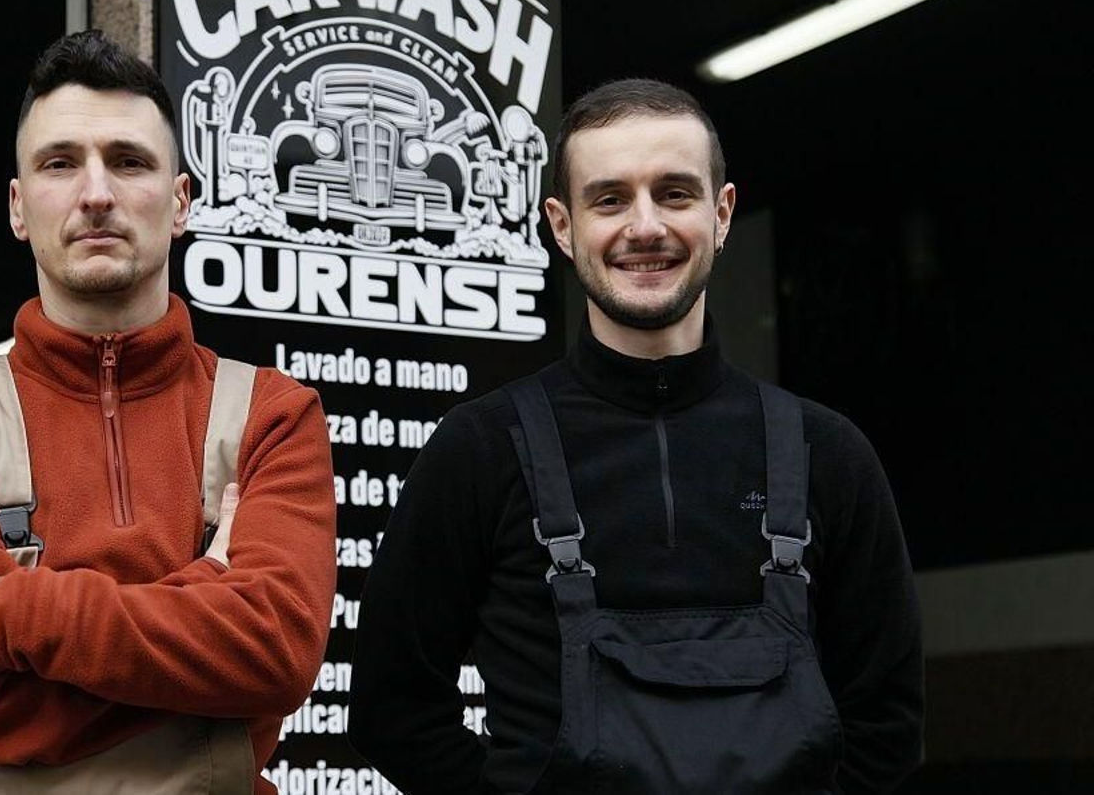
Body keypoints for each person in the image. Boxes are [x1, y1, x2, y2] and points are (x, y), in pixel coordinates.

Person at [348, 79, 922, 793]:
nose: (644, 227)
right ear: (562, 226)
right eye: (610, 198)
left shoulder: (828, 453)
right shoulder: (480, 448)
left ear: (722, 213)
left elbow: (888, 725)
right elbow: (391, 708)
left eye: (675, 194)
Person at [0, 30, 337, 794]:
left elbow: (276, 655)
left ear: (181, 201)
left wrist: (9, 618)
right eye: (61, 164)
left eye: (129, 161)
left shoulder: (272, 414)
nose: (96, 193)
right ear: (19, 208)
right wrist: (202, 613)